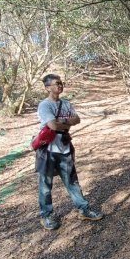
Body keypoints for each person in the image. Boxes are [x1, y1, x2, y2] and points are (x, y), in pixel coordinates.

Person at [35, 73, 103, 230]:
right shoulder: (44, 105)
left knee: (72, 181)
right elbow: (52, 126)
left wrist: (63, 122)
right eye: (56, 83)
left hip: (65, 148)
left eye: (61, 83)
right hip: (48, 150)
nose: (60, 85)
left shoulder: (66, 103)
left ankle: (84, 209)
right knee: (46, 185)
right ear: (47, 88)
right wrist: (66, 123)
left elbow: (77, 119)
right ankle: (46, 215)